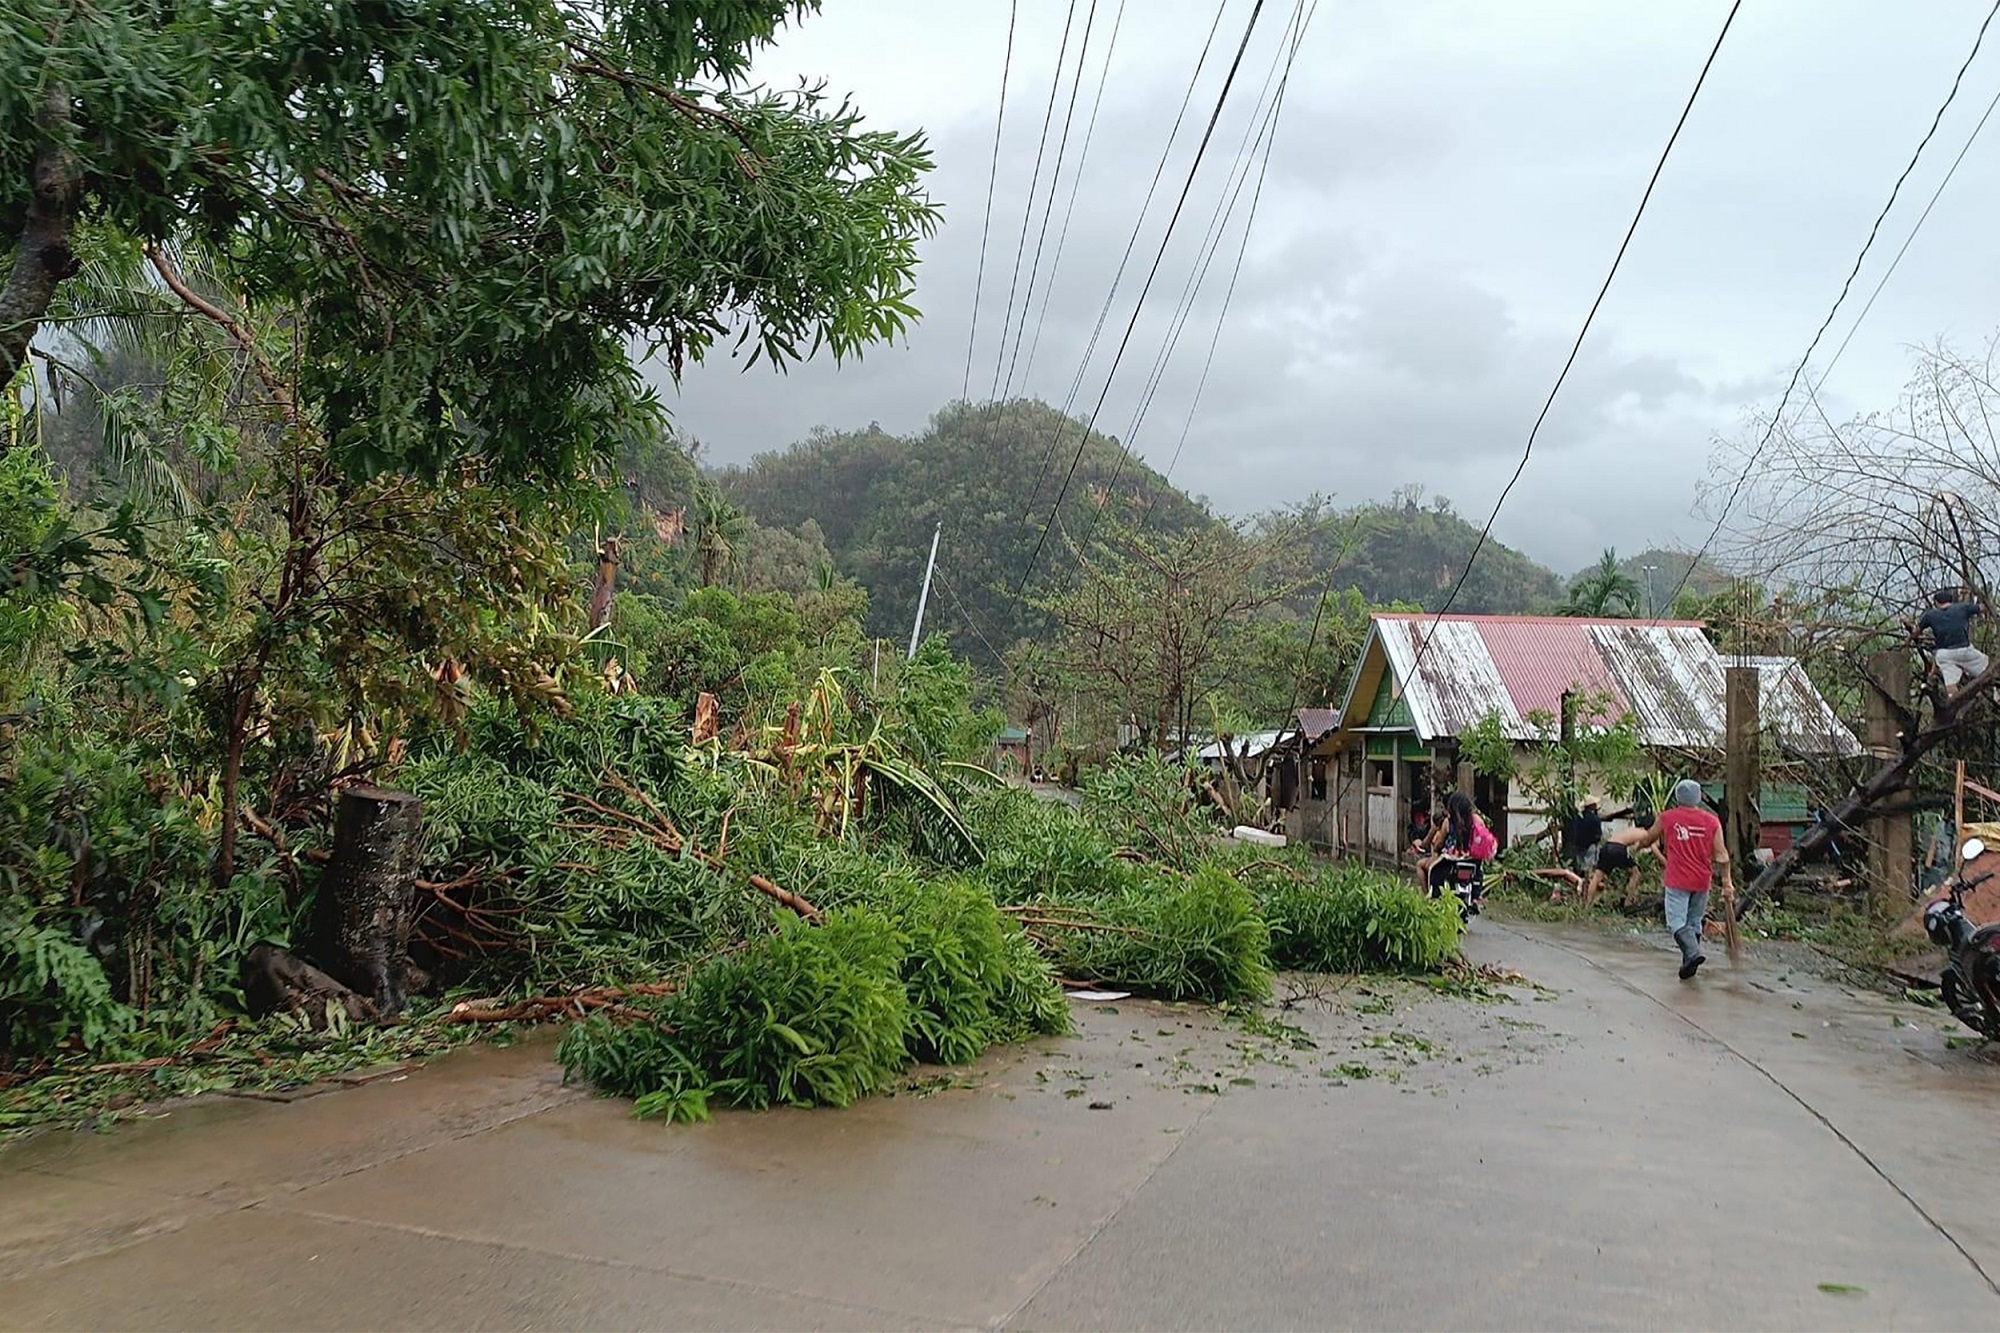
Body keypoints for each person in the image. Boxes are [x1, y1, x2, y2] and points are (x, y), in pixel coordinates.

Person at [1628, 778, 1734, 979]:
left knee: (1675, 922)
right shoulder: (1712, 821)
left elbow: (1650, 837)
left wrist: (1639, 846)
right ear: (1699, 797)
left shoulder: (1668, 818)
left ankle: (1693, 953)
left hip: (1678, 879)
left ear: (1677, 797)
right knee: (1694, 922)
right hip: (1702, 880)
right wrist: (1727, 882)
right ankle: (1689, 964)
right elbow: (1722, 855)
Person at [1912, 587, 1989, 698]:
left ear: (1936, 603)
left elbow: (1915, 632)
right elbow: (1982, 608)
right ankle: (1980, 692)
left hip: (1944, 654)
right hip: (1964, 650)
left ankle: (1954, 701)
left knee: (1951, 683)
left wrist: (1910, 639)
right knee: (1986, 668)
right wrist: (1983, 601)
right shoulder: (1962, 607)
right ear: (1951, 601)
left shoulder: (1930, 615)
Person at [1552, 798, 1604, 903]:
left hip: (1579, 846)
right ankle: (1587, 894)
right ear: (1592, 806)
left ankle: (1579, 889)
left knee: (1580, 868)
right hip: (1590, 846)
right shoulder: (1594, 819)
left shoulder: (1578, 817)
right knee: (1589, 870)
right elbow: (1598, 834)